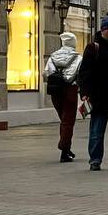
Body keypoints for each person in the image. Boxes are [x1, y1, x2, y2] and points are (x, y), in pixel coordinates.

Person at [78, 16, 108, 171]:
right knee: (96, 131)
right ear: (103, 30)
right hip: (99, 96)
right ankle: (95, 160)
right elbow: (84, 73)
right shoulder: (93, 47)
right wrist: (85, 93)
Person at [44, 31, 81, 162]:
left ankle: (66, 147)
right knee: (68, 121)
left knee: (63, 119)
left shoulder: (53, 56)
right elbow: (79, 75)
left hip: (55, 91)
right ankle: (64, 149)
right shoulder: (77, 58)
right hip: (70, 90)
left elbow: (46, 72)